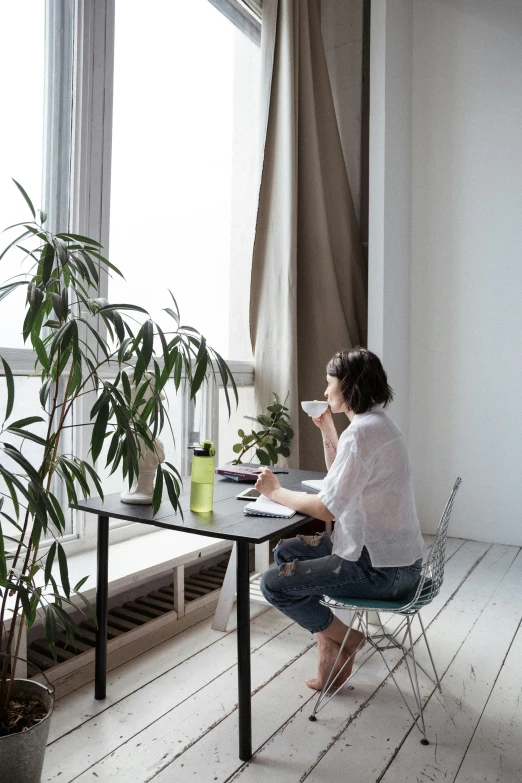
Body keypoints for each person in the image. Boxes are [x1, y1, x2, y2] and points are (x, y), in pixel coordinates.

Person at [257, 348, 425, 691]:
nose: (325, 391)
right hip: (399, 565)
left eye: (329, 383)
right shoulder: (377, 425)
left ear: (349, 386)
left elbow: (326, 508)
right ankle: (328, 643)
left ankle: (346, 639)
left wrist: (274, 492)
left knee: (273, 583)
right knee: (289, 552)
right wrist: (327, 431)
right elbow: (340, 484)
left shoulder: (363, 433)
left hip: (378, 571)